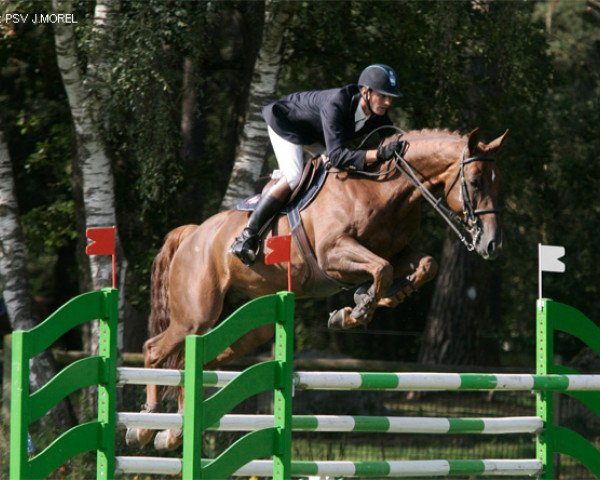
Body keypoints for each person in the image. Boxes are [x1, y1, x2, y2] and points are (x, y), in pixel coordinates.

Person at [231, 63, 405, 266]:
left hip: (314, 135)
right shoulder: (337, 103)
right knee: (294, 175)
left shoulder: (378, 114)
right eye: (383, 96)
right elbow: (338, 155)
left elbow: (397, 140)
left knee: (338, 173)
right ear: (365, 91)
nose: (388, 102)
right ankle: (247, 235)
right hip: (286, 123)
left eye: (391, 97)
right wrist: (377, 154)